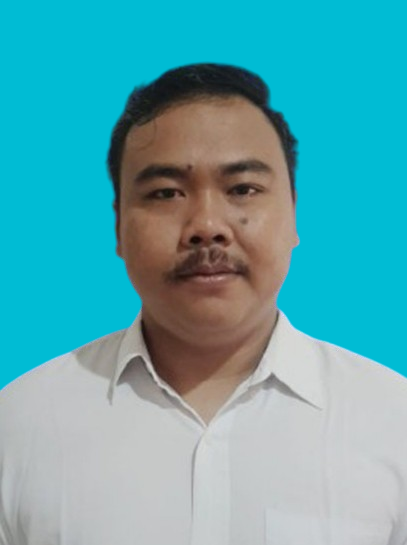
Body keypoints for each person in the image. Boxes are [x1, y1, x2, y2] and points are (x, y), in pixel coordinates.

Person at [0, 63, 406, 545]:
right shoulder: (21, 424)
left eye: (242, 189)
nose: (206, 226)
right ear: (118, 226)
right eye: (166, 193)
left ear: (293, 212)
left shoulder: (392, 421)